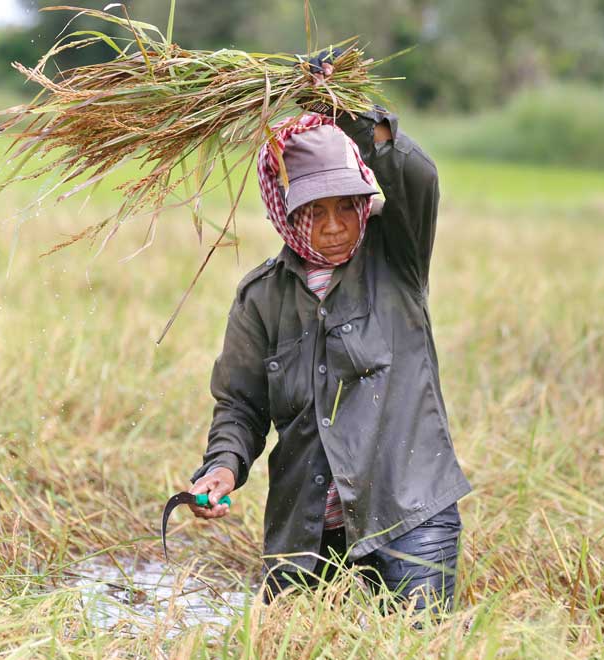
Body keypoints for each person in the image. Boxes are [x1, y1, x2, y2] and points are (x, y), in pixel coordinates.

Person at [185, 91, 471, 613]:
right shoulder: (261, 297)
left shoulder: (396, 255)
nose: (335, 225)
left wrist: (345, 111)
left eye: (345, 205)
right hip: (307, 529)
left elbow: (418, 177)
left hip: (408, 514)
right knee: (293, 644)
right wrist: (223, 467)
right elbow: (241, 407)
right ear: (285, 212)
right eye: (314, 211)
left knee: (417, 645)